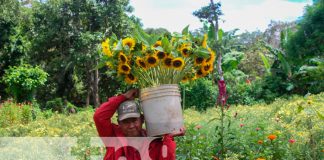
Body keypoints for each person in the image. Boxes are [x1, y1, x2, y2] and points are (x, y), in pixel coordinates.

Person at [93, 89, 185, 160]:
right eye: (126, 122)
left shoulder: (154, 142)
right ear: (119, 123)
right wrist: (123, 97)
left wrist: (169, 138)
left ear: (142, 120)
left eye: (134, 120)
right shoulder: (113, 137)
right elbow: (99, 117)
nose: (131, 126)